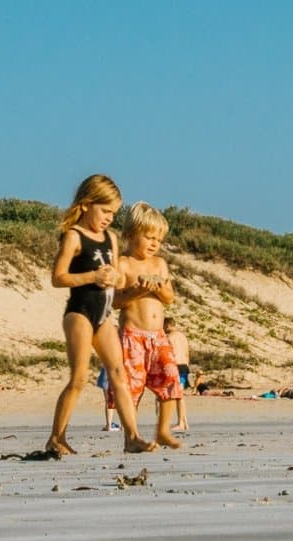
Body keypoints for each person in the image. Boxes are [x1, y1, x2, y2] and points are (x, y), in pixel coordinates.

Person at [46, 174, 155, 458]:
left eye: (114, 213)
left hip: (104, 314)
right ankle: (57, 437)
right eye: (105, 211)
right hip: (80, 313)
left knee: (119, 374)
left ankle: (132, 437)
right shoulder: (74, 236)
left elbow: (118, 278)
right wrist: (93, 276)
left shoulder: (110, 238)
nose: (109, 218)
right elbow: (58, 277)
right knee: (79, 377)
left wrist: (122, 279)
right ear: (86, 204)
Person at [112, 202, 184, 449]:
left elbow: (169, 298)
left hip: (158, 335)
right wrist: (137, 291)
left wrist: (160, 288)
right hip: (133, 336)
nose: (154, 243)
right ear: (131, 234)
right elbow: (116, 302)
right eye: (149, 237)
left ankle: (163, 430)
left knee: (171, 378)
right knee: (131, 387)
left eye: (159, 239)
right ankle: (130, 437)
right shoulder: (123, 264)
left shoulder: (159, 264)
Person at [164, 317, 190, 432]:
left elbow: (169, 353)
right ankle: (184, 422)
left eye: (164, 326)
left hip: (175, 366)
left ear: (168, 325)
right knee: (180, 394)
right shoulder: (183, 336)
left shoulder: (169, 337)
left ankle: (181, 422)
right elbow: (187, 352)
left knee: (177, 395)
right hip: (184, 366)